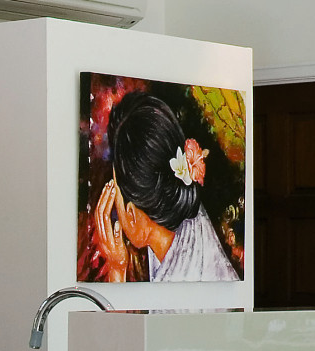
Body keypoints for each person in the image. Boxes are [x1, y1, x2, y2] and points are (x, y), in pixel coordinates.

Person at [90, 92, 240, 283]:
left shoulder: (179, 285)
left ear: (131, 214)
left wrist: (116, 270)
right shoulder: (192, 228)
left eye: (116, 193)